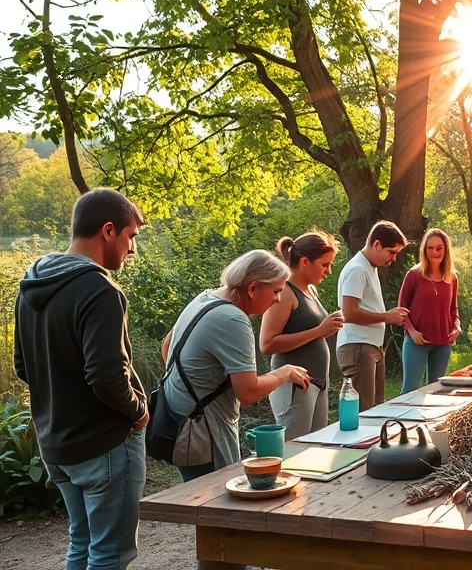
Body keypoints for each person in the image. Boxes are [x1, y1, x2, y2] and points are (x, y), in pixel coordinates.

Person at [14, 189, 148, 570]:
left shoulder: (31, 286)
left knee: (83, 543)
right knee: (110, 553)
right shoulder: (100, 290)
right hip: (104, 445)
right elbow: (106, 377)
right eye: (131, 237)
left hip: (56, 445)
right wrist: (139, 411)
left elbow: (23, 366)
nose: (133, 249)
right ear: (108, 230)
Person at [161, 250, 311, 484]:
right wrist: (285, 372)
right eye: (276, 291)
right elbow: (249, 392)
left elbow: (167, 346)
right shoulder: (233, 318)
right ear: (252, 288)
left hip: (178, 421)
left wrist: (192, 386)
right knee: (216, 497)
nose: (278, 299)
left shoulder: (205, 298)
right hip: (204, 430)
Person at [259, 231, 344, 440]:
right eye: (325, 265)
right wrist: (319, 331)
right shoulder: (284, 291)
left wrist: (328, 329)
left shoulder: (310, 289)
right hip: (295, 386)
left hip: (318, 382)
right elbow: (267, 344)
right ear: (305, 262)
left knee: (316, 447)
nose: (329, 271)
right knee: (295, 449)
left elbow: (309, 334)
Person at [337, 220, 409, 410]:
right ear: (376, 244)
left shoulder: (369, 267)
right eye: (391, 252)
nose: (394, 259)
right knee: (364, 412)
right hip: (358, 346)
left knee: (376, 410)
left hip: (370, 346)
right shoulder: (357, 269)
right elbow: (348, 313)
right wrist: (386, 317)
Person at [399, 229, 461, 394]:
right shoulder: (413, 275)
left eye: (439, 248)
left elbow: (453, 309)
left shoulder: (452, 277)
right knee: (410, 391)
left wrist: (457, 326)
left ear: (446, 249)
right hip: (417, 342)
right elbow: (401, 309)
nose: (435, 252)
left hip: (443, 343)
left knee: (437, 391)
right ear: (424, 250)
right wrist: (412, 332)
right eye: (430, 248)